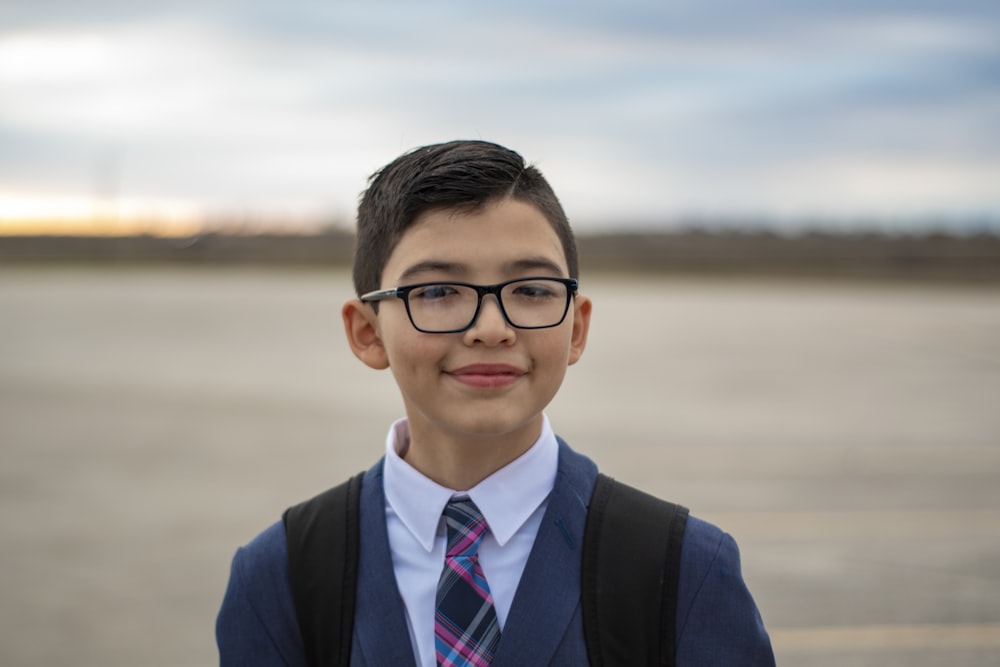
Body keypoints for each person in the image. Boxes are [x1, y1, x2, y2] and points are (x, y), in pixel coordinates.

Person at [216, 139, 775, 666]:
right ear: (367, 332)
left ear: (576, 329)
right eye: (436, 292)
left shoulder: (680, 568)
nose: (491, 328)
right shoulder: (282, 576)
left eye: (531, 291)